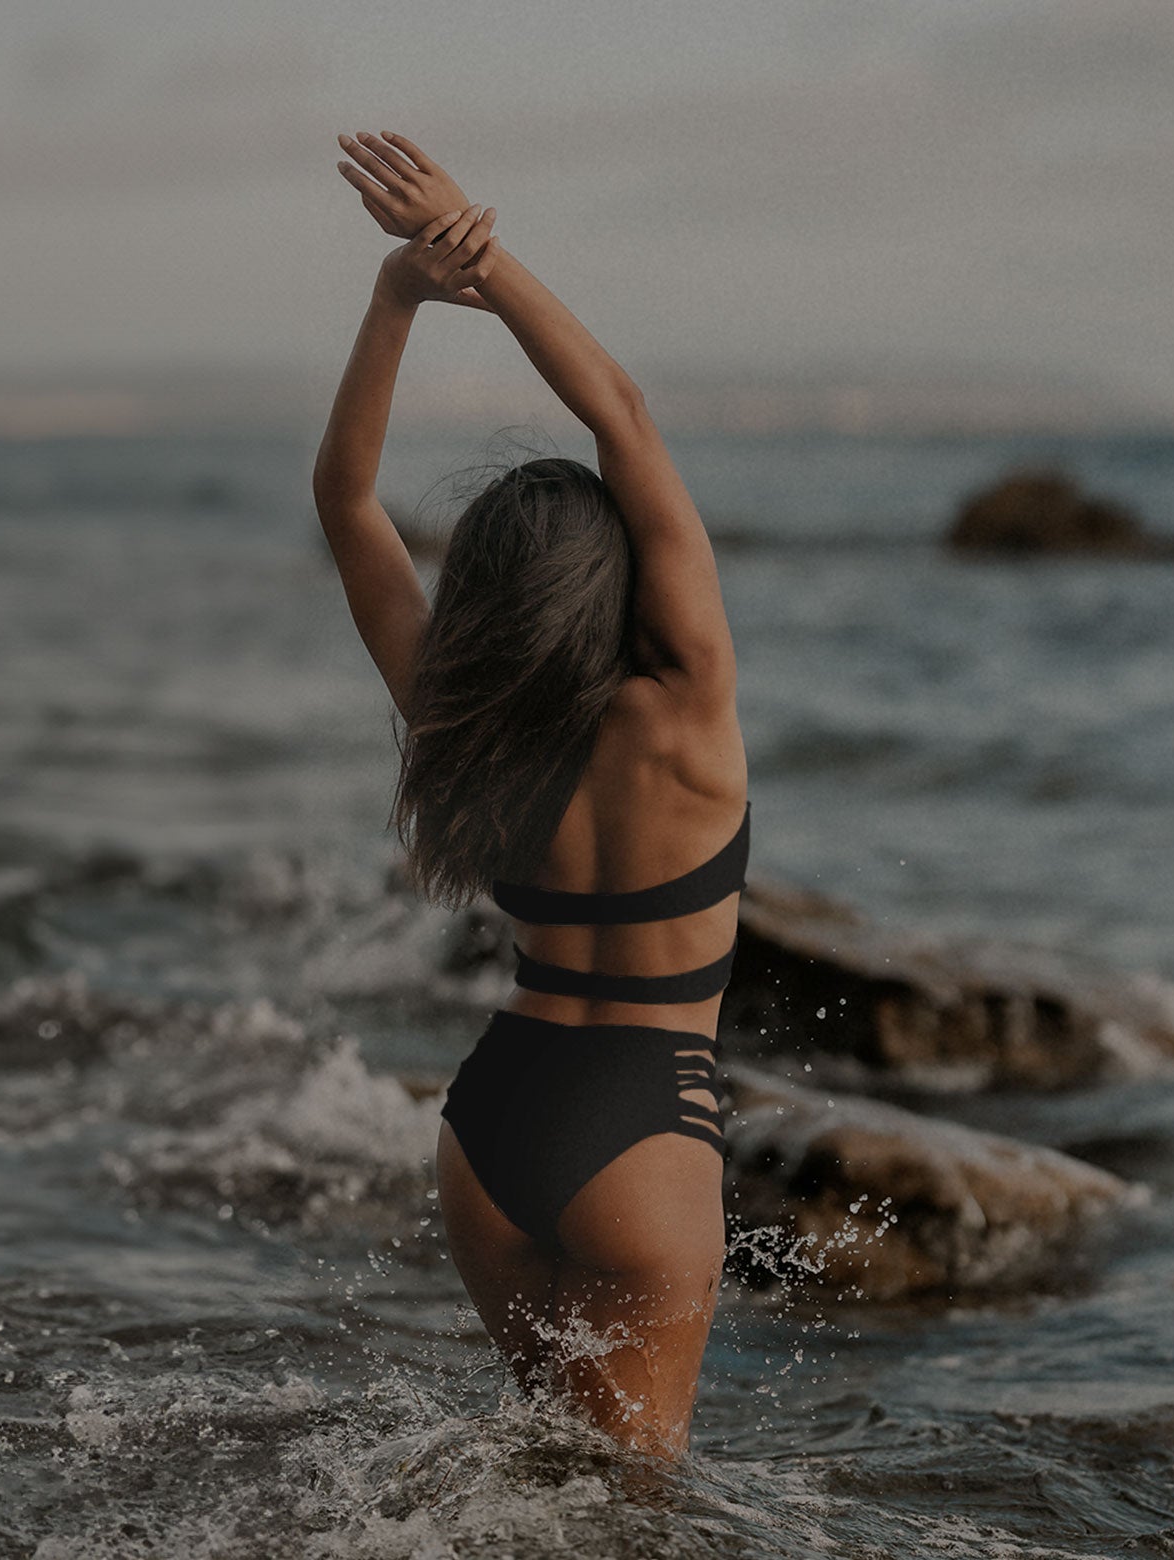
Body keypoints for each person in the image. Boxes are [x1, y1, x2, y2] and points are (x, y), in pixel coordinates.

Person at [311, 131, 748, 1461]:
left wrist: (397, 296)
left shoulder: (463, 719)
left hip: (492, 1122)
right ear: (614, 584)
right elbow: (622, 413)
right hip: (645, 1122)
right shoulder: (686, 708)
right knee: (632, 1507)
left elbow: (346, 500)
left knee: (541, 1465)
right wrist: (481, 258)